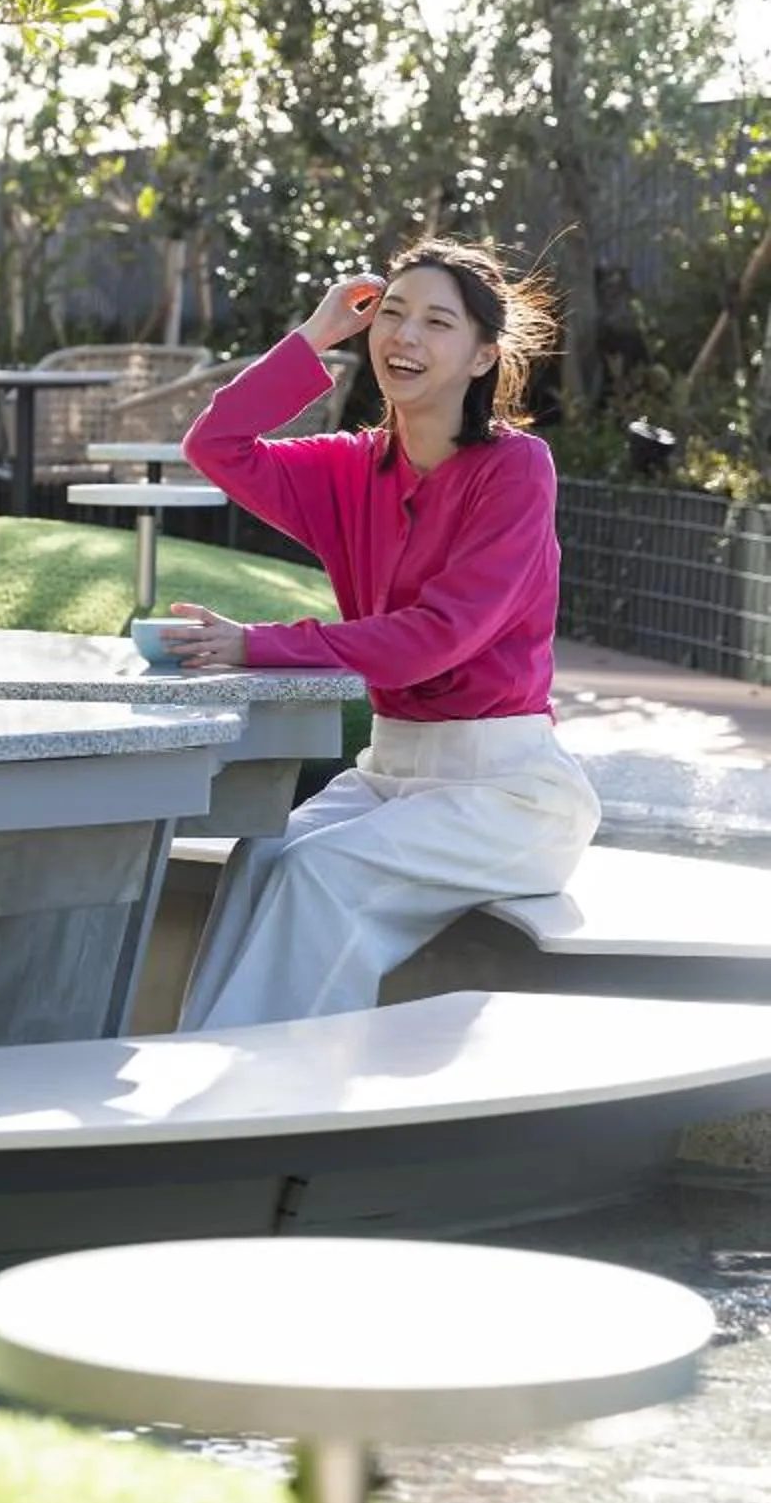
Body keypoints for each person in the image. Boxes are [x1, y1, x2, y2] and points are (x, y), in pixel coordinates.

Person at [165, 240, 600, 1032]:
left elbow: (438, 636)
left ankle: (270, 1109)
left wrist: (259, 642)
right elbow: (213, 446)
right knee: (261, 857)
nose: (406, 338)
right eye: (392, 315)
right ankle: (203, 1088)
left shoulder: (516, 469)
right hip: (388, 776)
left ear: (481, 357)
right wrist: (312, 336)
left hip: (505, 794)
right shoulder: (350, 469)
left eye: (438, 323)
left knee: (318, 874)